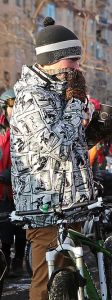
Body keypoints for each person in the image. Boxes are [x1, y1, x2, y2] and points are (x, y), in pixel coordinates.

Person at [10, 17, 112, 299]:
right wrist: (75, 105)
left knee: (70, 283)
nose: (77, 68)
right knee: (46, 285)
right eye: (72, 61)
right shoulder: (32, 97)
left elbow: (69, 146)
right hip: (46, 210)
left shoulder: (60, 92)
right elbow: (55, 144)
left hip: (71, 205)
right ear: (53, 60)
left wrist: (97, 132)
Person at [0, 89, 27, 278]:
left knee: (20, 227)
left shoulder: (26, 127)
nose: (15, 109)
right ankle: (5, 261)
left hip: (21, 186)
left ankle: (18, 260)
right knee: (4, 228)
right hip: (2, 188)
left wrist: (12, 173)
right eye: (11, 105)